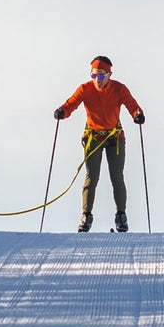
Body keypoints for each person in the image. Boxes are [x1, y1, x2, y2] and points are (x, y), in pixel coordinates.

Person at [54, 55, 145, 232]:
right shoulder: (85, 89)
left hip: (114, 138)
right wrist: (62, 111)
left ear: (109, 74)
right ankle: (86, 216)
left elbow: (131, 104)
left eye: (101, 76)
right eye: (94, 76)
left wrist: (137, 114)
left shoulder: (119, 89)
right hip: (93, 138)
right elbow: (71, 103)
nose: (98, 80)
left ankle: (121, 216)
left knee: (117, 176)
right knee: (91, 176)